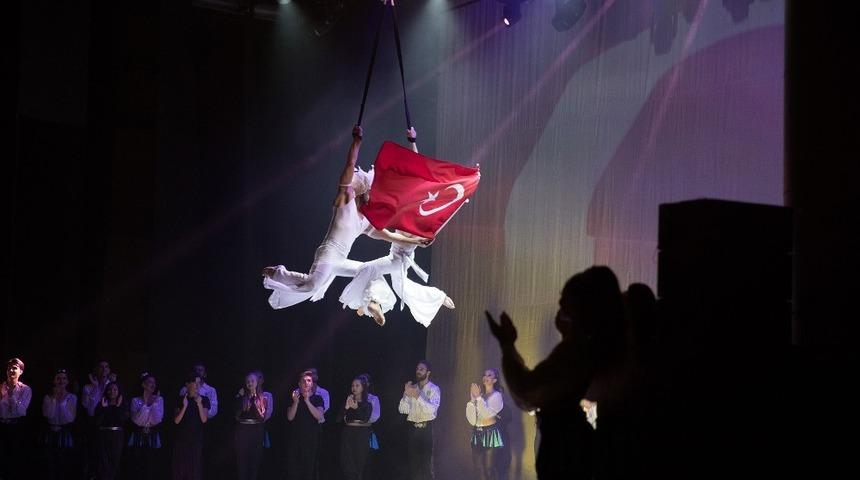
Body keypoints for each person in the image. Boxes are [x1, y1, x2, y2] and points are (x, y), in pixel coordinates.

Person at [262, 126, 428, 325]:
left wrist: (417, 241)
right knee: (311, 286)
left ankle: (372, 302)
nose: (374, 197)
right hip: (328, 254)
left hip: (341, 259)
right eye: (371, 193)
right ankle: (277, 273)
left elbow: (391, 236)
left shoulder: (366, 221)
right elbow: (349, 166)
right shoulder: (344, 203)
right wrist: (356, 142)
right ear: (363, 191)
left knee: (370, 270)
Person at [486, 266, 626, 479]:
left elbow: (529, 392)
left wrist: (507, 344)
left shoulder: (579, 348)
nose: (560, 306)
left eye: (566, 303)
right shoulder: (599, 347)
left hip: (565, 448)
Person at [339, 230, 455, 327]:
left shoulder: (410, 226)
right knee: (397, 285)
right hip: (400, 259)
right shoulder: (411, 226)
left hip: (397, 260)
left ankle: (371, 302)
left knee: (369, 269)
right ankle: (369, 303)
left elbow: (395, 237)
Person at [398, 360, 440, 480]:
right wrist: (406, 395)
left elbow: (432, 412)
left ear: (428, 372)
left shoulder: (434, 389)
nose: (418, 371)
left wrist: (418, 396)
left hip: (426, 430)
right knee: (413, 465)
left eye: (421, 369)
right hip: (413, 430)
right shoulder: (413, 388)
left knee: (426, 466)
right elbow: (402, 409)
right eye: (417, 369)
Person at [466, 369, 504, 480]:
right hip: (477, 433)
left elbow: (487, 414)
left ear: (495, 380)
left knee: (489, 469)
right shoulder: (481, 397)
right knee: (478, 469)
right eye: (484, 375)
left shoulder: (497, 396)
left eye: (489, 375)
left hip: (490, 433)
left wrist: (478, 398)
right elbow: (472, 420)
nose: (485, 377)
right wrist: (472, 401)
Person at [286, 371, 325, 480]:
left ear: (312, 383)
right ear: (299, 384)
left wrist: (307, 401)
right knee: (294, 470)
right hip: (295, 439)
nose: (306, 383)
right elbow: (290, 417)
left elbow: (319, 416)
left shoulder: (318, 398)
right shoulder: (294, 398)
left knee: (308, 470)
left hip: (310, 439)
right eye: (303, 381)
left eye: (309, 380)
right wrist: (296, 402)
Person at [172, 373, 210, 480]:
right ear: (187, 384)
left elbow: (204, 419)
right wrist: (184, 406)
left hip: (196, 441)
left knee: (195, 471)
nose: (197, 386)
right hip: (181, 440)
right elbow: (176, 421)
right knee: (180, 471)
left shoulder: (204, 399)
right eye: (195, 383)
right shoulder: (180, 399)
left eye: (199, 383)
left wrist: (199, 404)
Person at [42, 368, 77, 479]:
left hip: (64, 432)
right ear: (54, 380)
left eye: (64, 378)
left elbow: (70, 418)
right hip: (50, 432)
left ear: (68, 381)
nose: (61, 381)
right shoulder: (47, 397)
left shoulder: (72, 397)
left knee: (63, 462)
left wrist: (62, 403)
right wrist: (54, 398)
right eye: (58, 378)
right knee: (50, 463)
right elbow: (49, 415)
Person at [0, 358, 32, 480]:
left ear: (21, 371)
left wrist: (11, 394)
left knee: (14, 459)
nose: (11, 370)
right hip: (2, 425)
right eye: (9, 368)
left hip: (16, 427)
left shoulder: (25, 389)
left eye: (14, 368)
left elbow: (21, 411)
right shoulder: (1, 387)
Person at [128, 372, 164, 480]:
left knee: (151, 464)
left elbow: (157, 419)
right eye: (150, 382)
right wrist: (145, 403)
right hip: (138, 435)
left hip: (152, 435)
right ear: (143, 384)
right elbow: (137, 420)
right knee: (137, 463)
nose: (153, 385)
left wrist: (153, 403)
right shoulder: (135, 400)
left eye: (154, 382)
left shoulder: (159, 399)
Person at [234, 371, 267, 480]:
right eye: (248, 381)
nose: (250, 383)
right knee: (242, 461)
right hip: (243, 431)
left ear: (257, 382)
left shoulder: (263, 397)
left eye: (252, 381)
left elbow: (261, 417)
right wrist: (240, 397)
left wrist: (254, 398)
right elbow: (236, 415)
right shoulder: (242, 396)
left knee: (254, 462)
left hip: (256, 431)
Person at [339, 375, 373, 480]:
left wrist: (356, 407)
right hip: (348, 433)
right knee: (347, 461)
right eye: (352, 385)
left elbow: (365, 418)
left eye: (357, 385)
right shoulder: (348, 402)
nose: (354, 388)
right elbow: (338, 419)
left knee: (360, 461)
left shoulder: (367, 404)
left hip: (361, 434)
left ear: (363, 388)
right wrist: (346, 407)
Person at [94, 381, 128, 480]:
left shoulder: (123, 404)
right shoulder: (102, 403)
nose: (112, 391)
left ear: (118, 391)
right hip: (103, 435)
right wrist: (104, 409)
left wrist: (117, 407)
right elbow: (97, 421)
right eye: (109, 389)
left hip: (117, 436)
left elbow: (122, 420)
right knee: (103, 461)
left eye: (115, 389)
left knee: (115, 460)